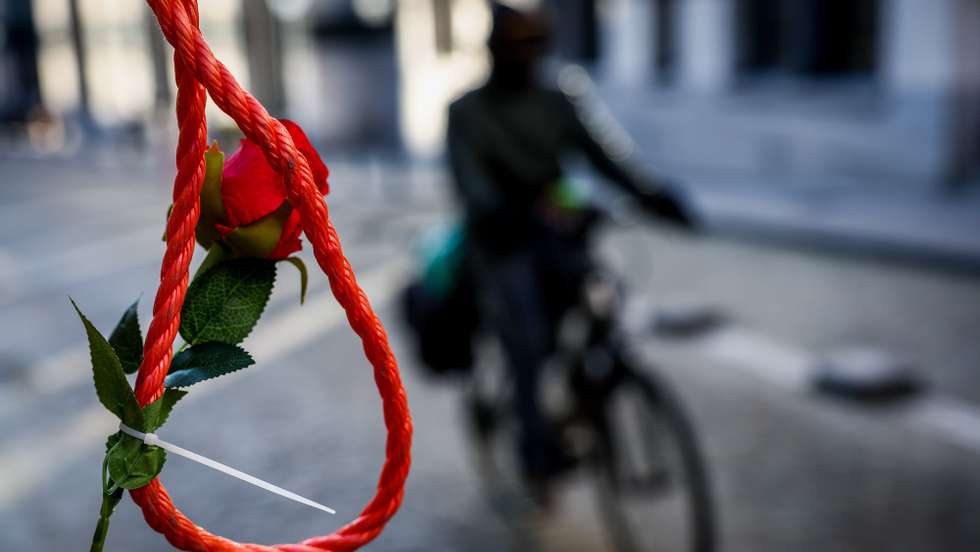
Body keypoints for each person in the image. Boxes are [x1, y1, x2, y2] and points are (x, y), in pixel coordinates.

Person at [446, 3, 694, 482]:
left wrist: (655, 195)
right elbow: (472, 183)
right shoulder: (467, 111)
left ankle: (583, 397)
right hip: (504, 243)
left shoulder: (558, 99)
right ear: (495, 49)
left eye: (538, 43)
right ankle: (533, 450)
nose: (530, 54)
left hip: (557, 236)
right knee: (529, 341)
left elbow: (604, 155)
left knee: (598, 303)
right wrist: (502, 210)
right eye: (520, 44)